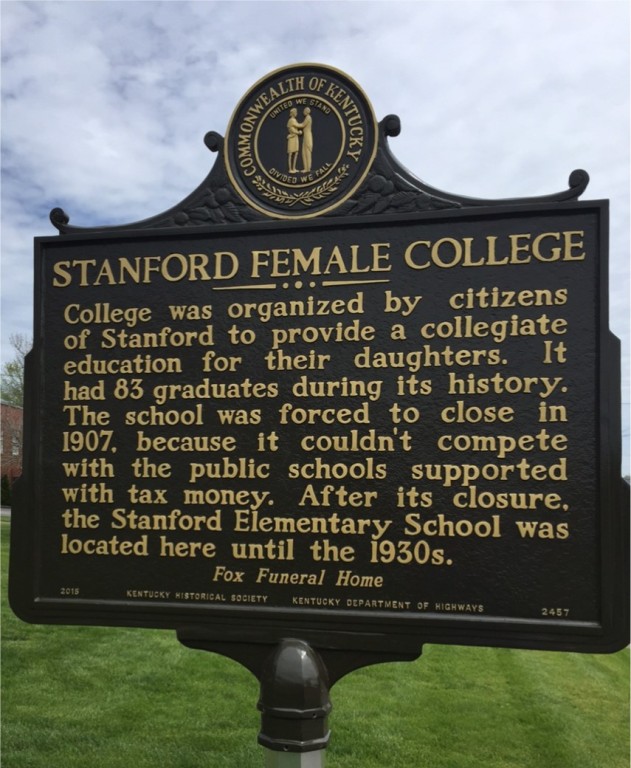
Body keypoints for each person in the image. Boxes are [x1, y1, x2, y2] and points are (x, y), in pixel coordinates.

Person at [286, 108, 301, 173]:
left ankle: (294, 168)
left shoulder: (295, 120)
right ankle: (290, 169)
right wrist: (298, 132)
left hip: (295, 138)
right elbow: (292, 129)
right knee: (291, 154)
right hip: (292, 138)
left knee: (296, 153)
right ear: (293, 113)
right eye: (296, 112)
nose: (296, 113)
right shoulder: (291, 120)